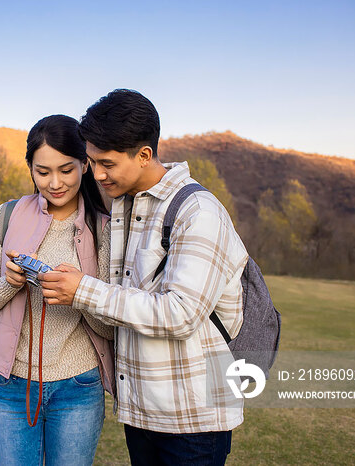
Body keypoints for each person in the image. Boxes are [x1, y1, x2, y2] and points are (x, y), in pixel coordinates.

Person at [40, 89, 248, 465]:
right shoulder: (125, 204)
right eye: (92, 162)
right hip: (142, 413)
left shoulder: (198, 212)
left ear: (145, 155)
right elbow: (126, 302)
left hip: (194, 421)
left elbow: (181, 314)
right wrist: (79, 283)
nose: (97, 175)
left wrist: (85, 291)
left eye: (107, 164)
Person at [0, 114, 115, 465]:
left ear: (84, 164)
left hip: (78, 387)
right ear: (30, 168)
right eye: (43, 171)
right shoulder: (6, 215)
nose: (55, 183)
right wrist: (10, 283)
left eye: (66, 170)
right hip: (12, 385)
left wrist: (77, 294)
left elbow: (110, 327)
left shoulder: (105, 228)